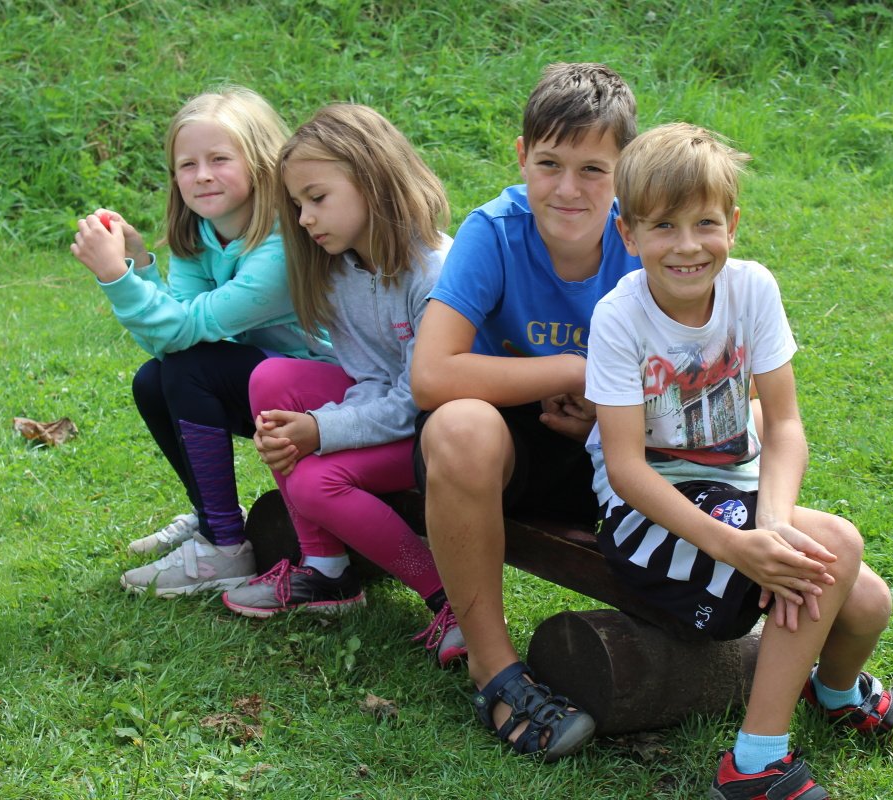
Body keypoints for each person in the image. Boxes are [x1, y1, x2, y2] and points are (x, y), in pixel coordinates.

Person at [585, 123, 893, 800]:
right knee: (837, 544)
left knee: (867, 601)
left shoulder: (752, 290)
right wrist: (737, 546)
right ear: (627, 233)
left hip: (739, 497)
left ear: (733, 224)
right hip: (649, 516)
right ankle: (754, 764)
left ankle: (834, 694)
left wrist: (771, 524)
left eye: (705, 223)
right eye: (663, 226)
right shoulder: (618, 318)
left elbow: (785, 423)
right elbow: (626, 470)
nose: (687, 245)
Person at [410, 62, 640, 761]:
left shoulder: (646, 239)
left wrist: (606, 415)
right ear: (521, 157)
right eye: (549, 164)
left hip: (613, 447)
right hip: (500, 454)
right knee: (459, 426)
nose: (568, 189)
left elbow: (717, 383)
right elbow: (431, 375)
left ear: (626, 170)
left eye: (593, 170)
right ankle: (494, 668)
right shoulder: (495, 231)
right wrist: (576, 370)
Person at [221, 104, 466, 668]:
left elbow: (419, 397)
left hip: (442, 433)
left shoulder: (433, 271)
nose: (305, 218)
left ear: (373, 182)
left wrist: (322, 430)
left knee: (314, 482)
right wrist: (313, 427)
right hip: (395, 410)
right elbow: (369, 375)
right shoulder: (339, 268)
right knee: (272, 377)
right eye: (298, 205)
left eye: (317, 198)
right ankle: (326, 570)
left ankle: (451, 600)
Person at [70, 86, 329, 597]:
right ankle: (213, 517)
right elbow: (172, 339)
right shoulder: (202, 234)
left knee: (191, 369)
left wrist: (117, 277)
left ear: (260, 163)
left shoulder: (282, 246)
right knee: (154, 379)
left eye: (219, 159)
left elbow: (184, 331)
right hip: (274, 382)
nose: (202, 175)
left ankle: (224, 547)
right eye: (187, 164)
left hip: (334, 392)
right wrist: (141, 262)